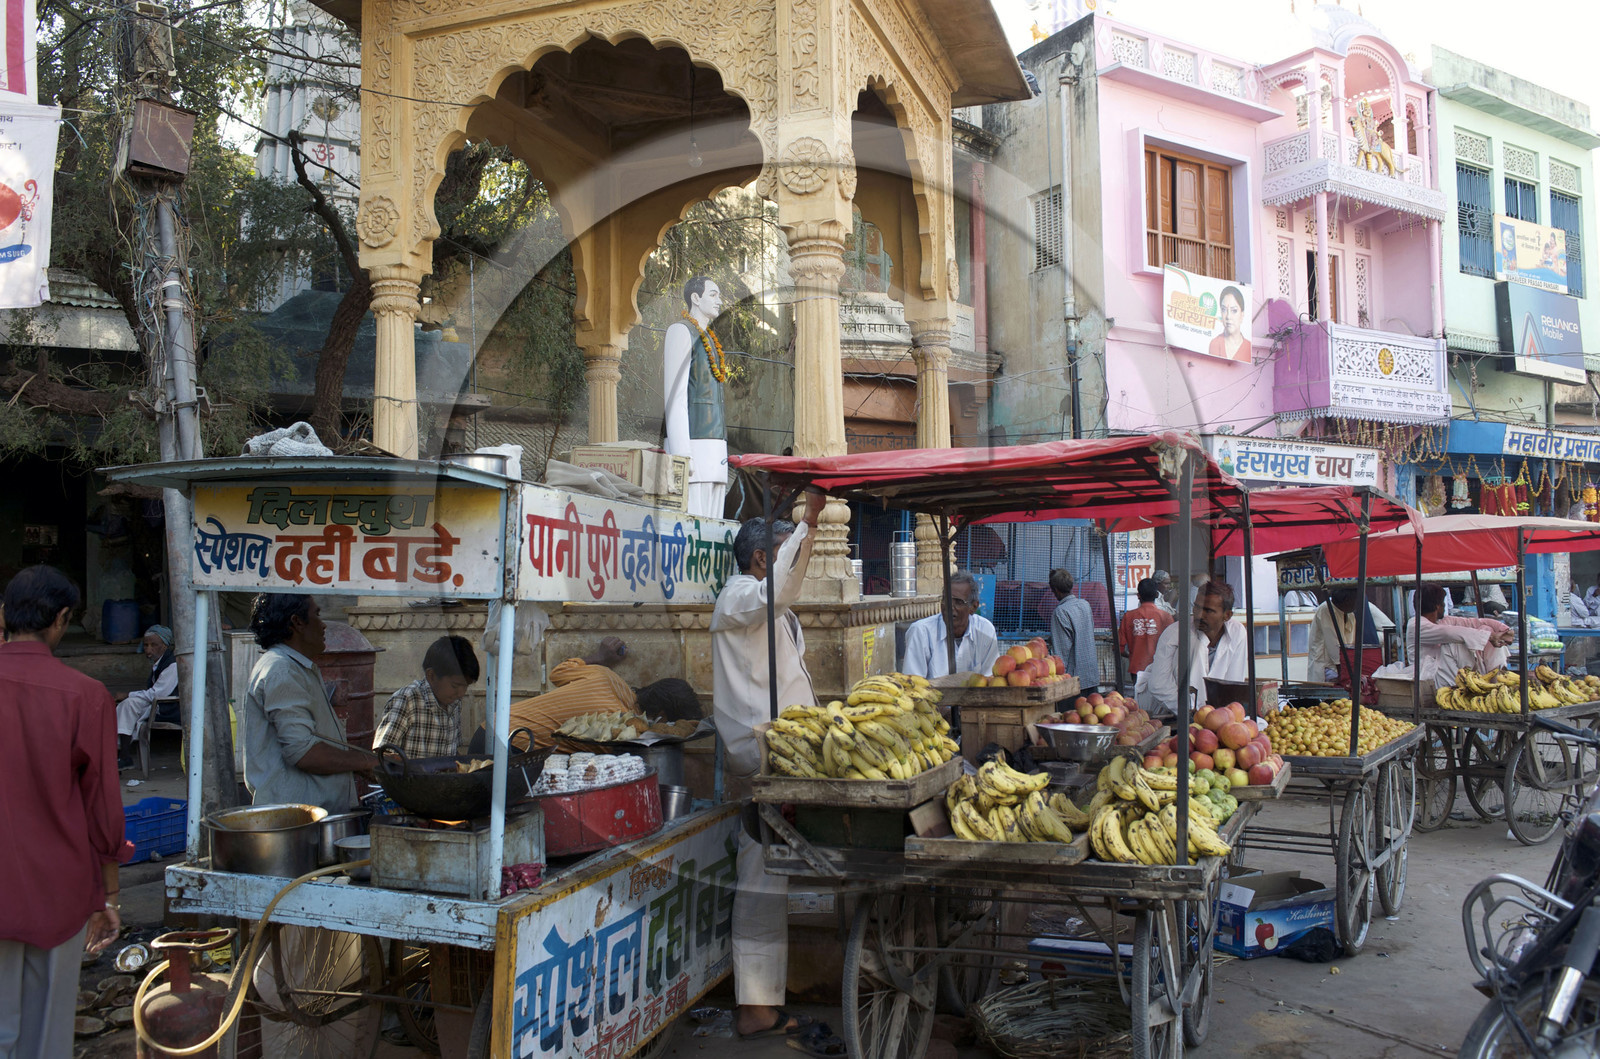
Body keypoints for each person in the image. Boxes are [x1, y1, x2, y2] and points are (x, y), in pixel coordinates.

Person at [711, 496, 840, 1052]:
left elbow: (785, 595)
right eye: (786, 551)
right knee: (762, 871)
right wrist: (808, 521)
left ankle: (761, 1002)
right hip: (763, 756)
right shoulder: (741, 596)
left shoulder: (768, 606)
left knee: (769, 869)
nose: (796, 560)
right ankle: (754, 1008)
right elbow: (779, 591)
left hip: (785, 750)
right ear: (762, 559)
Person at [0, 566, 129, 1058]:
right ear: (61, 619)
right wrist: (110, 894)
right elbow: (103, 808)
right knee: (46, 1034)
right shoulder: (85, 695)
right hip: (60, 886)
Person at [240, 594, 378, 813]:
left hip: (308, 815)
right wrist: (366, 762)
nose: (323, 625)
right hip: (295, 820)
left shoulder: (294, 667)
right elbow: (304, 753)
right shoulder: (281, 670)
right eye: (317, 615)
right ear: (297, 622)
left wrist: (363, 763)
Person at [468, 637, 704, 751]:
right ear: (662, 716)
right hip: (513, 748)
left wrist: (600, 658)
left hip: (488, 729)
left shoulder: (607, 676)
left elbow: (558, 673)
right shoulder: (620, 731)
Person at [663, 275, 730, 519]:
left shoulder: (710, 338)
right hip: (693, 448)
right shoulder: (681, 331)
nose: (719, 301)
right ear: (695, 298)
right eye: (713, 295)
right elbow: (675, 398)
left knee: (713, 522)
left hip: (714, 449)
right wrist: (682, 454)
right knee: (692, 522)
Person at [1146, 580, 1250, 716]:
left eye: (1208, 611)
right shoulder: (1174, 633)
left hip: (1215, 717)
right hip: (1169, 713)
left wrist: (1217, 716)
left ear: (1227, 615)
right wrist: (1194, 711)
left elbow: (1232, 684)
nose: (1199, 615)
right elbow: (1158, 685)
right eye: (1197, 607)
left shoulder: (1238, 632)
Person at [373, 635, 480, 761]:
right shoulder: (407, 700)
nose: (461, 693)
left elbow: (450, 750)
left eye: (465, 686)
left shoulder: (455, 703)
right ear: (431, 675)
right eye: (455, 685)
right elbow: (381, 755)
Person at [1406, 584, 1514, 686]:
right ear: (1437, 607)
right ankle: (1472, 682)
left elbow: (1473, 623)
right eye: (1443, 604)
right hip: (1430, 675)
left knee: (1486, 629)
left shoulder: (1442, 621)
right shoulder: (1415, 625)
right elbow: (1450, 633)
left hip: (1449, 670)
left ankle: (1494, 679)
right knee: (1453, 644)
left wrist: (1503, 630)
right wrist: (1490, 637)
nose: (1445, 607)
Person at [900, 570, 1001, 679]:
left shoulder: (985, 630)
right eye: (946, 600)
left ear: (973, 607)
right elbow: (913, 683)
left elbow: (989, 679)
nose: (949, 607)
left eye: (958, 602)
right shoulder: (921, 632)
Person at [113, 625, 178, 769]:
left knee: (129, 704)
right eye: (146, 645)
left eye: (154, 645)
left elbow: (158, 693)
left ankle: (122, 755)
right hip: (158, 704)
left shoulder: (172, 665)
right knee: (126, 707)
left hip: (170, 708)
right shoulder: (159, 663)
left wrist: (128, 694)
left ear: (165, 646)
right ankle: (122, 756)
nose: (148, 650)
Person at [1306, 587, 1392, 685]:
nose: (1357, 605)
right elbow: (1334, 646)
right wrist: (1344, 675)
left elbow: (1351, 643)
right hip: (1327, 667)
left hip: (1344, 666)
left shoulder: (1350, 614)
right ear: (1347, 600)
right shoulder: (1326, 610)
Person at [1049, 569, 1098, 693]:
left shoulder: (1060, 612)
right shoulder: (1085, 605)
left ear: (1055, 590)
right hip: (1091, 675)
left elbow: (1061, 651)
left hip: (1072, 680)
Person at [1119, 578, 1175, 677]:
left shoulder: (1128, 617)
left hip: (1137, 669)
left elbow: (1120, 648)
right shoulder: (1166, 617)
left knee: (1139, 692)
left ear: (1138, 596)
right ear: (1157, 595)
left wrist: (1132, 656)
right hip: (1160, 669)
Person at [1206, 285, 1250, 362]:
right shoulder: (1215, 344)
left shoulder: (1248, 347)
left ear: (1242, 315)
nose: (1228, 316)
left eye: (1234, 310)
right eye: (1224, 310)